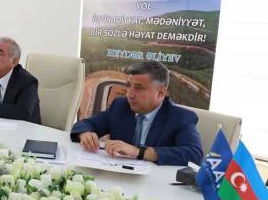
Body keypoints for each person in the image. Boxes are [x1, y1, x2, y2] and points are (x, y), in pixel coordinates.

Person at [70, 61, 203, 166]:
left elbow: (194, 155)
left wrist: (138, 152)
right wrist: (85, 134)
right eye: (129, 86)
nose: (130, 94)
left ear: (161, 93)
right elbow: (85, 124)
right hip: (118, 177)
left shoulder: (181, 117)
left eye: (139, 88)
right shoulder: (120, 106)